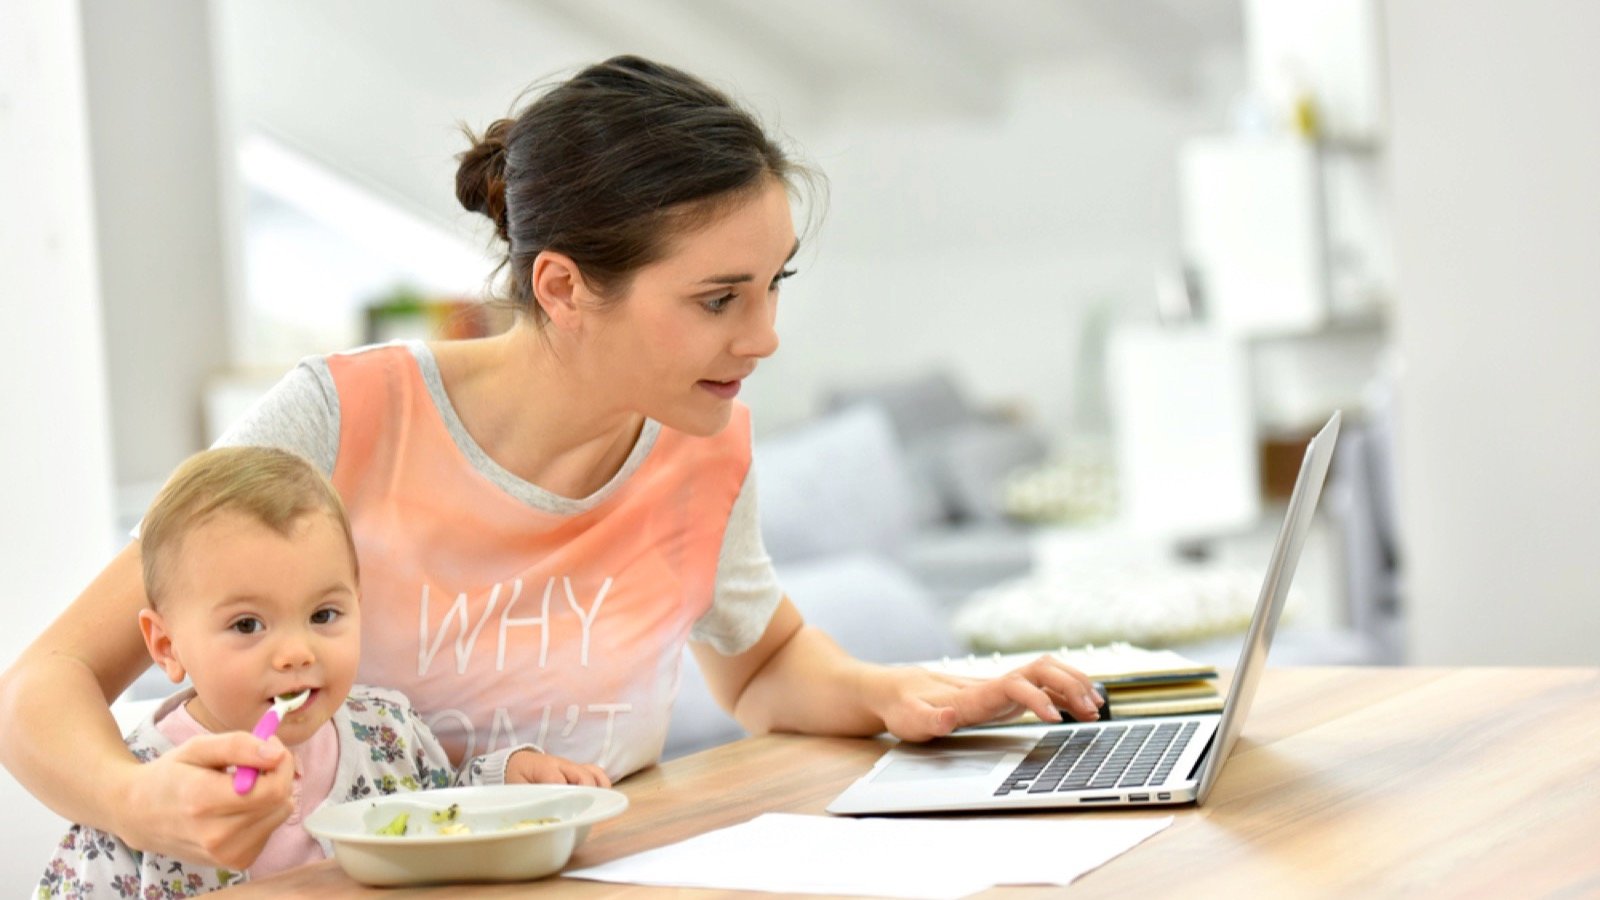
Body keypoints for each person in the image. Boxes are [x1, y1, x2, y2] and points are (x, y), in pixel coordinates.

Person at [0, 55, 1103, 870]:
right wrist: (137, 803)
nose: (764, 336)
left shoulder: (699, 436)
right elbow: (41, 688)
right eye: (720, 298)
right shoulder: (341, 419)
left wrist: (914, 694)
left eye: (776, 286)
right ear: (566, 287)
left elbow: (761, 669)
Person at [36, 446, 607, 895]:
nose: (295, 653)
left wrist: (510, 777)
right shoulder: (143, 787)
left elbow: (442, 813)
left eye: (323, 614)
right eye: (247, 626)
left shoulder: (386, 733)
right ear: (166, 645)